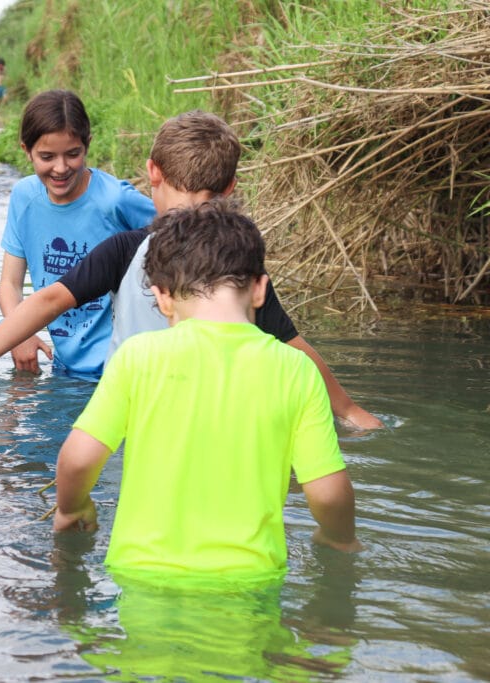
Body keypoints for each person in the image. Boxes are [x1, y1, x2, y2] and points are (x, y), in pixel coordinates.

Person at [0, 109, 384, 432]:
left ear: (152, 174)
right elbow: (292, 345)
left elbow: (48, 300)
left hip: (133, 423)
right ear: (230, 187)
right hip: (215, 423)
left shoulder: (127, 249)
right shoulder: (238, 262)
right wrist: (348, 411)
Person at [53, 199, 363, 576]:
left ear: (162, 297)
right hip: (249, 584)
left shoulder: (137, 357)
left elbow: (77, 459)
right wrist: (339, 539)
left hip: (141, 578)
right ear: (260, 289)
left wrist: (72, 508)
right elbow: (329, 495)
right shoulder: (295, 370)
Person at [0, 89, 157, 377]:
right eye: (47, 156)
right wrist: (18, 334)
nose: (60, 168)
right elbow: (10, 283)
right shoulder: (24, 197)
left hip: (118, 367)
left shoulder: (115, 200)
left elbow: (181, 230)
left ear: (88, 146)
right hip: (63, 364)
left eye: (73, 154)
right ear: (26, 150)